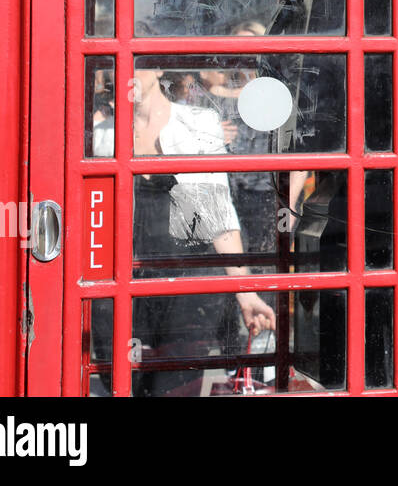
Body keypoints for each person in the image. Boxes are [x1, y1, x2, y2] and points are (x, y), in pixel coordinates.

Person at [92, 66, 274, 395]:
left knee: (175, 387)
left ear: (157, 68)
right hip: (120, 284)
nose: (124, 73)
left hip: (188, 285)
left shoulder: (197, 122)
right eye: (116, 66)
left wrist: (245, 291)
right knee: (124, 385)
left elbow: (218, 213)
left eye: (136, 63)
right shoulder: (100, 133)